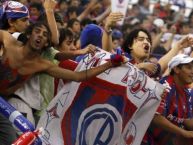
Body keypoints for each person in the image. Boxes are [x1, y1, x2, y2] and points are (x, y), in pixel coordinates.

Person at [0, 22, 124, 144]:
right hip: (8, 103)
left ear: (47, 43)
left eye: (44, 35)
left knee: (13, 138)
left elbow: (78, 76)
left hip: (4, 104)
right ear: (28, 35)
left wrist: (109, 64)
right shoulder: (8, 41)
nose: (40, 36)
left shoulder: (42, 65)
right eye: (37, 31)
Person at [142, 54, 193, 145]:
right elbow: (156, 117)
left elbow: (186, 120)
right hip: (147, 140)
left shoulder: (186, 93)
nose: (192, 71)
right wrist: (184, 133)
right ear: (176, 69)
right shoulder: (165, 86)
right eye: (189, 68)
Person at [123, 28, 193, 78]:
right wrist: (139, 66)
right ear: (130, 45)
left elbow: (161, 65)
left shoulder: (147, 68)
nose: (146, 42)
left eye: (148, 40)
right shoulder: (122, 58)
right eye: (141, 39)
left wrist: (178, 46)